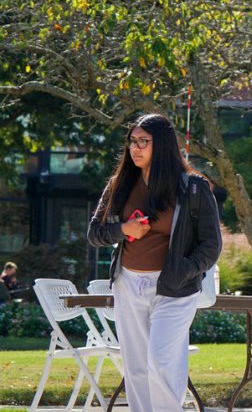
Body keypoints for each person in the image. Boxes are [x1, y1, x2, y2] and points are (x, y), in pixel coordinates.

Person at [85, 114, 222, 412]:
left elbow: (211, 246)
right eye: (132, 142)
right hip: (128, 285)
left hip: (174, 289)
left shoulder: (193, 187)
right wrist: (123, 230)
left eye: (143, 142)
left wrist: (182, 272)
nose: (135, 148)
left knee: (161, 361)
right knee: (135, 368)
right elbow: (95, 234)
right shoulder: (119, 185)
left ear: (161, 145)